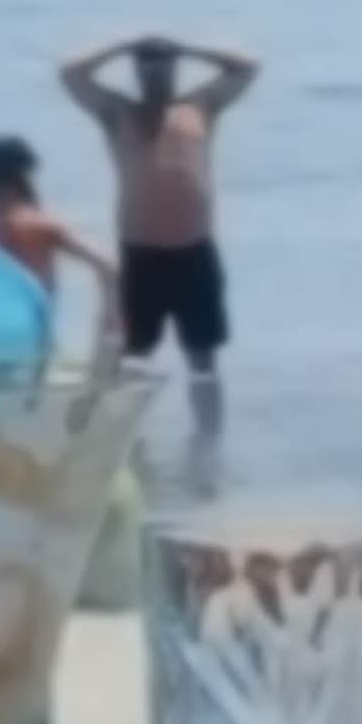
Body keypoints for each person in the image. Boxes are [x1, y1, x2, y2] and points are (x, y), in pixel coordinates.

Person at [59, 32, 258, 438]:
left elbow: (247, 68)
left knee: (203, 360)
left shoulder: (199, 106)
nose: (156, 76)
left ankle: (208, 443)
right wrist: (125, 44)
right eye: (147, 69)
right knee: (133, 357)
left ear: (175, 69)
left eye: (164, 68)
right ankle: (121, 441)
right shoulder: (118, 112)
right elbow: (70, 74)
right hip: (141, 255)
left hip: (194, 252)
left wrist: (187, 47)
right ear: (136, 72)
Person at [0, 135, 117, 340]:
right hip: (32, 333)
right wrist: (107, 320)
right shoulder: (41, 225)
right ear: (23, 179)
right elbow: (106, 266)